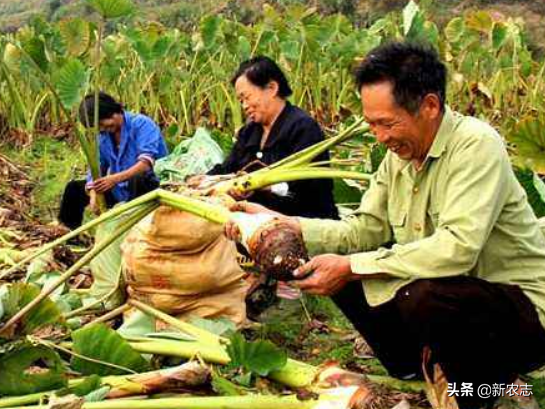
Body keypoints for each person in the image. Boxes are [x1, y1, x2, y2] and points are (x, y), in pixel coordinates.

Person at [227, 42, 545, 409]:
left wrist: (352, 267)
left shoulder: (475, 146)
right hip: (451, 301)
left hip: (519, 311)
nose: (380, 137)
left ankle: (491, 391)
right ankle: (419, 371)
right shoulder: (399, 158)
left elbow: (458, 248)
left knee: (419, 293)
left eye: (387, 123)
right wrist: (286, 225)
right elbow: (362, 231)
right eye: (371, 124)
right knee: (341, 266)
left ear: (429, 106)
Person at [202, 56, 338, 220]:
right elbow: (228, 168)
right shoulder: (250, 131)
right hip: (253, 220)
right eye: (240, 100)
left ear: (272, 88)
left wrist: (266, 185)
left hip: (302, 223)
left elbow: (308, 189)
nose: (244, 105)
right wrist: (202, 182)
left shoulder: (303, 128)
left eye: (247, 97)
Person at [58, 92, 168, 229]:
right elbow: (97, 168)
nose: (103, 129)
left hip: (150, 187)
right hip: (121, 189)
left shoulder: (141, 124)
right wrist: (93, 193)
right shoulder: (104, 136)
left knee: (138, 178)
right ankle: (68, 237)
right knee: (73, 189)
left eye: (103, 124)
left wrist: (114, 179)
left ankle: (135, 228)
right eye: (99, 127)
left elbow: (145, 165)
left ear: (112, 112)